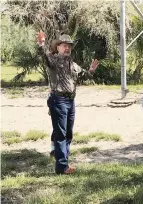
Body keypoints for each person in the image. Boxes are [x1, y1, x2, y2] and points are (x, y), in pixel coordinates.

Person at [37, 32, 99, 174]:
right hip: (58, 99)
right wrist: (41, 44)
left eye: (69, 46)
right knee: (61, 133)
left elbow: (83, 75)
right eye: (64, 46)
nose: (67, 48)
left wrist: (90, 71)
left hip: (70, 100)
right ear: (58, 47)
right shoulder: (53, 60)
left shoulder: (72, 63)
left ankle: (64, 161)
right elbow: (44, 57)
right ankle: (61, 166)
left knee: (68, 133)